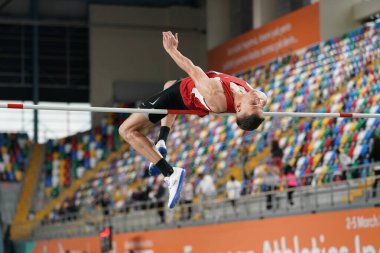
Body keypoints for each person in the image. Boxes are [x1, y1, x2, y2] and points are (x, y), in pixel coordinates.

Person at [118, 31, 268, 209]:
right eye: (259, 104)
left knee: (126, 130)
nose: (258, 101)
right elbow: (261, 98)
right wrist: (257, 101)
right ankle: (161, 142)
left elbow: (192, 69)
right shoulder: (255, 96)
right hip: (192, 94)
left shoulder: (216, 94)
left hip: (181, 95)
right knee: (168, 83)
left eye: (254, 103)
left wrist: (171, 50)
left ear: (238, 108)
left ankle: (170, 173)